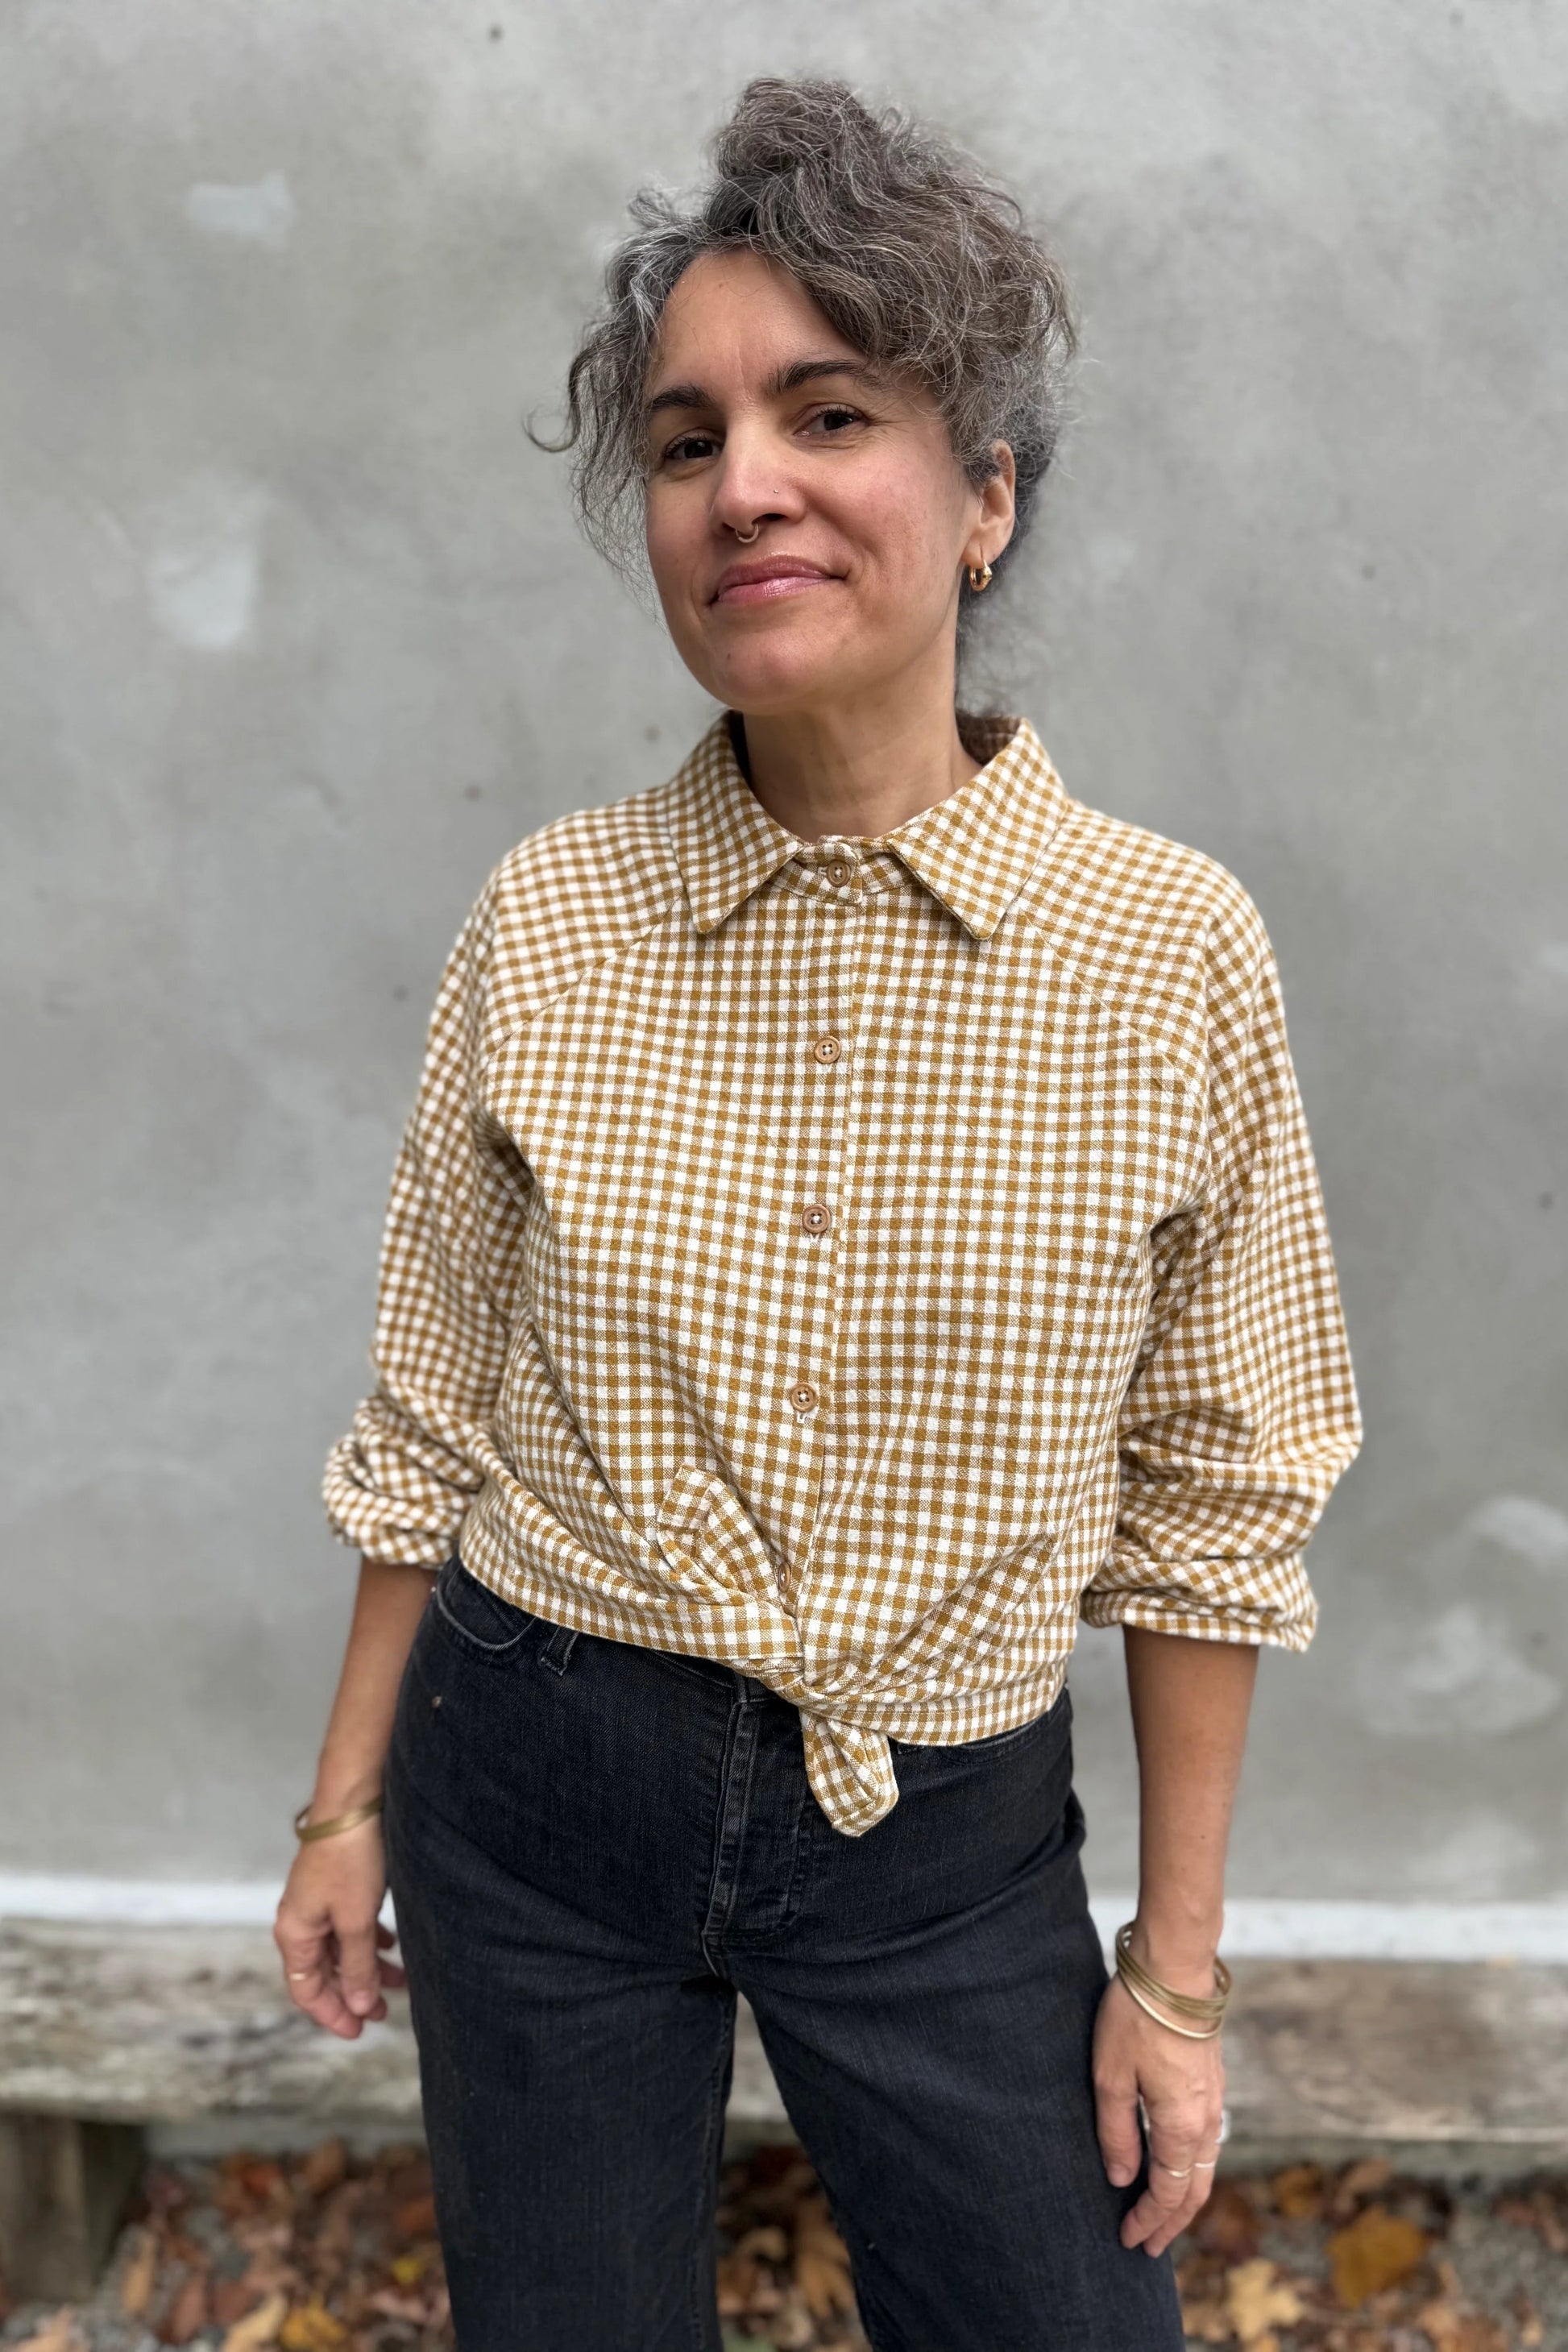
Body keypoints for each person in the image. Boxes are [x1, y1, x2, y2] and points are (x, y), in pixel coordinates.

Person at [275, 76, 1361, 2351]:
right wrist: (341, 1805)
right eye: (682, 442)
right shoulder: (550, 923)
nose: (740, 483)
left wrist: (1171, 1975)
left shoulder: (1167, 957)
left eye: (823, 412)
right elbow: (432, 1394)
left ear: (977, 503)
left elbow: (1214, 1502)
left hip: (945, 1848)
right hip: (531, 1790)